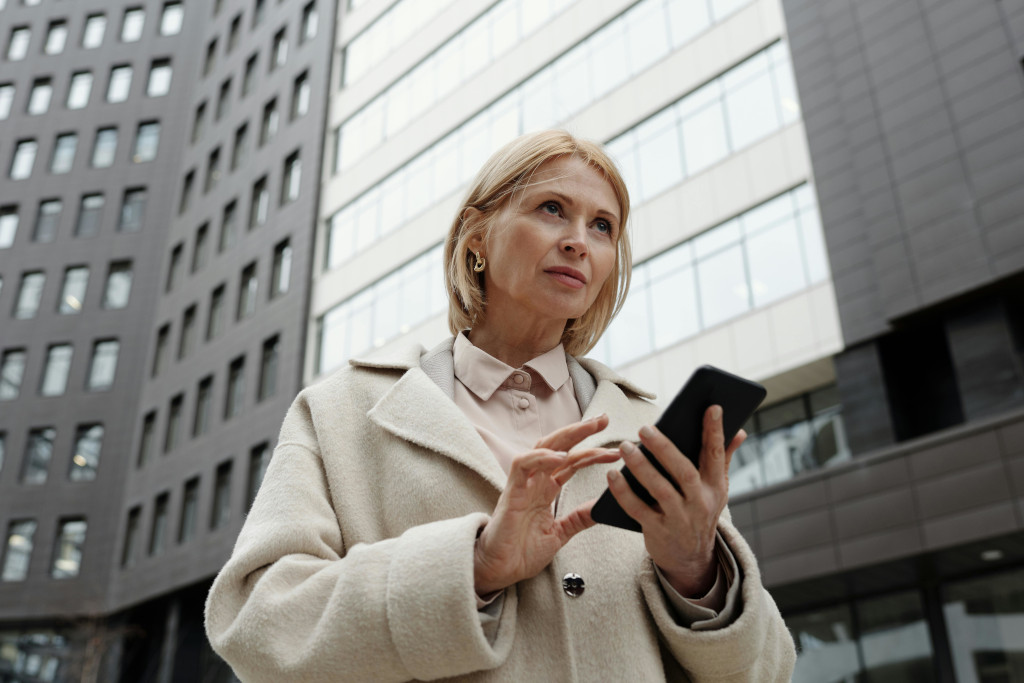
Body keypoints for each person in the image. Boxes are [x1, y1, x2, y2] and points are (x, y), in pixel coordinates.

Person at [205, 130, 796, 681]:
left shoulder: (650, 430)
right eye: (552, 209)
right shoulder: (342, 412)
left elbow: (770, 670)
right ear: (477, 237)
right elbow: (257, 623)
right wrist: (475, 566)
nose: (578, 241)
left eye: (603, 226)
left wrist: (695, 571)